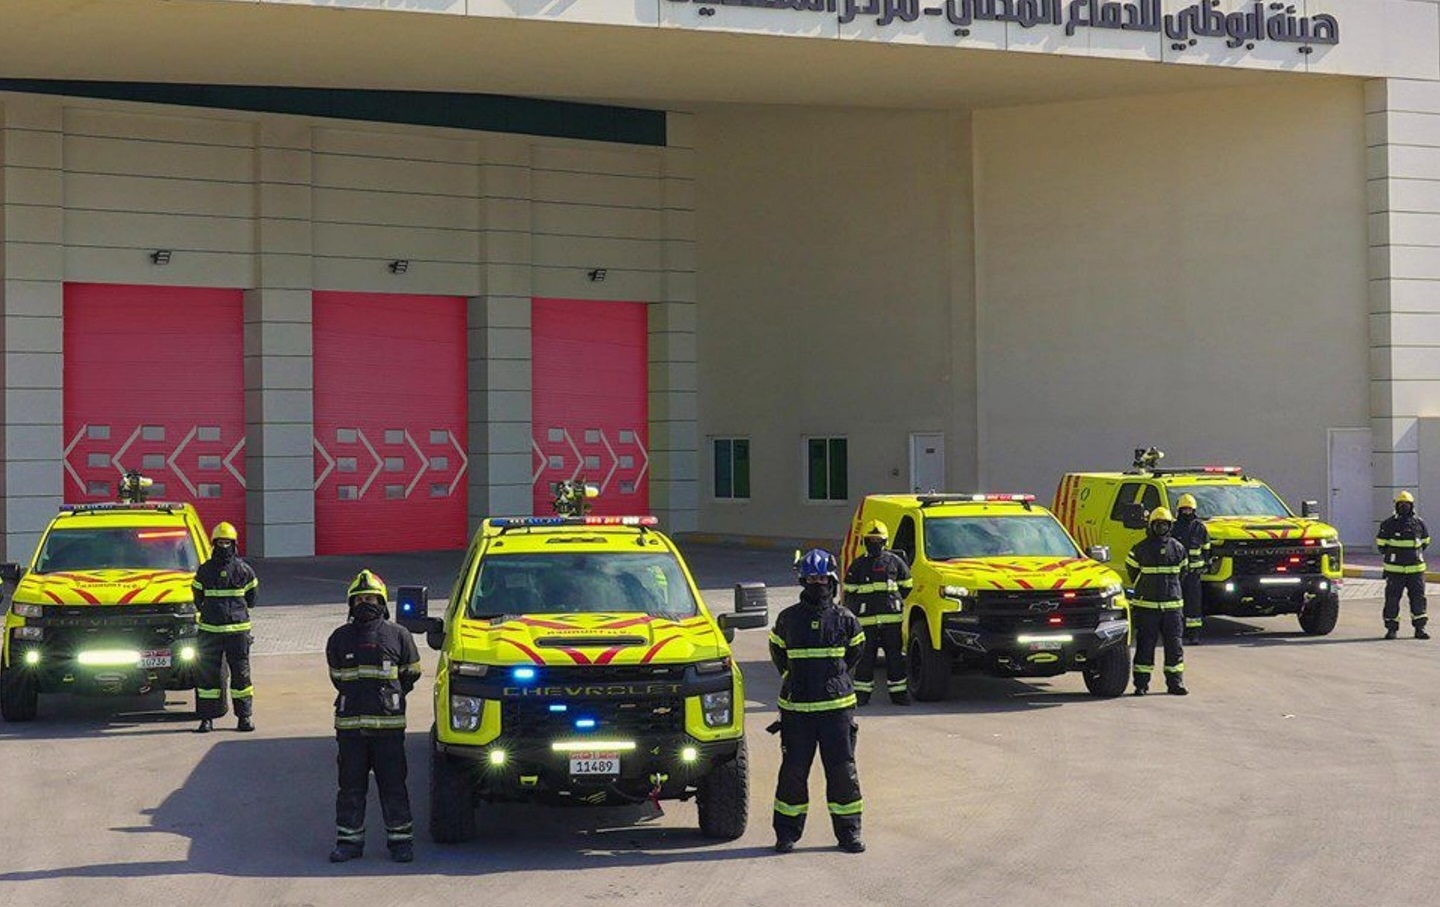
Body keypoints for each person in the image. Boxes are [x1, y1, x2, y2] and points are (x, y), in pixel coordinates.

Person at [769, 549, 867, 854]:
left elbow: (856, 652)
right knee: (793, 774)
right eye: (811, 579)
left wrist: (835, 679)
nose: (817, 584)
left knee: (842, 773)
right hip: (797, 712)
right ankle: (786, 834)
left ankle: (849, 834)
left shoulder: (845, 619)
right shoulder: (788, 619)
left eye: (822, 579)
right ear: (803, 581)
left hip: (836, 712)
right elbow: (778, 652)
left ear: (832, 580)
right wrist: (794, 678)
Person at [326, 569, 423, 863]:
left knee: (394, 788)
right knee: (350, 790)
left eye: (370, 599)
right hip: (350, 731)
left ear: (381, 602)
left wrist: (389, 699)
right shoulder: (339, 638)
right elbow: (337, 677)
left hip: (388, 731)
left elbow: (411, 673)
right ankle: (349, 843)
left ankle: (401, 843)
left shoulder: (399, 635)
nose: (364, 604)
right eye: (359, 599)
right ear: (351, 604)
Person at [191, 522, 258, 733]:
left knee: (240, 677)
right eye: (220, 542)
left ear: (234, 544)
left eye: (226, 542)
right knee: (209, 678)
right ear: (214, 544)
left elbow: (252, 598)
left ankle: (242, 718)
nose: (224, 546)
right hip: (217, 632)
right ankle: (209, 719)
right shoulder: (208, 570)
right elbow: (251, 600)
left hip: (230, 633)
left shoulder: (241, 570)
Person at [842, 520, 914, 705]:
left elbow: (907, 585)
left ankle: (899, 694)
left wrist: (893, 603)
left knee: (895, 658)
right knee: (865, 659)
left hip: (892, 621)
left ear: (885, 542)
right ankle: (862, 695)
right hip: (866, 622)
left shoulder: (895, 562)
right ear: (865, 541)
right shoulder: (858, 565)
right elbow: (849, 591)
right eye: (871, 540)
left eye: (878, 540)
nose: (874, 544)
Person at [1125, 507, 1189, 696]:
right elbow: (1132, 572)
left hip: (1172, 608)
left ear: (1170, 526)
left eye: (1165, 524)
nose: (1161, 527)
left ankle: (1175, 683)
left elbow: (1183, 573)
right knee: (1145, 647)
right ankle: (1141, 685)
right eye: (1158, 524)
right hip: (1147, 608)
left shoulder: (1178, 548)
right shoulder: (1139, 548)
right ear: (1151, 525)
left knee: (1174, 647)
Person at [1377, 491, 1431, 640]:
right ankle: (1391, 629)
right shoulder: (1388, 524)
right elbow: (1381, 545)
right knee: (1392, 600)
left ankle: (1420, 628)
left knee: (1418, 599)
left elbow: (1425, 541)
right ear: (1396, 506)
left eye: (1406, 504)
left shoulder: (1419, 523)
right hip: (1395, 571)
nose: (1404, 507)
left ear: (1412, 506)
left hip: (1416, 571)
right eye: (1401, 504)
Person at [1172, 493, 1210, 645]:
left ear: (1193, 510)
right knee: (1177, 604)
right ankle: (1178, 633)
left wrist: (1205, 564)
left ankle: (1194, 635)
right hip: (1178, 573)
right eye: (1184, 510)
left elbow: (1206, 547)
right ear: (1179, 510)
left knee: (1194, 605)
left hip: (1194, 573)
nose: (1186, 512)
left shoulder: (1199, 527)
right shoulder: (1174, 527)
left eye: (1189, 510)